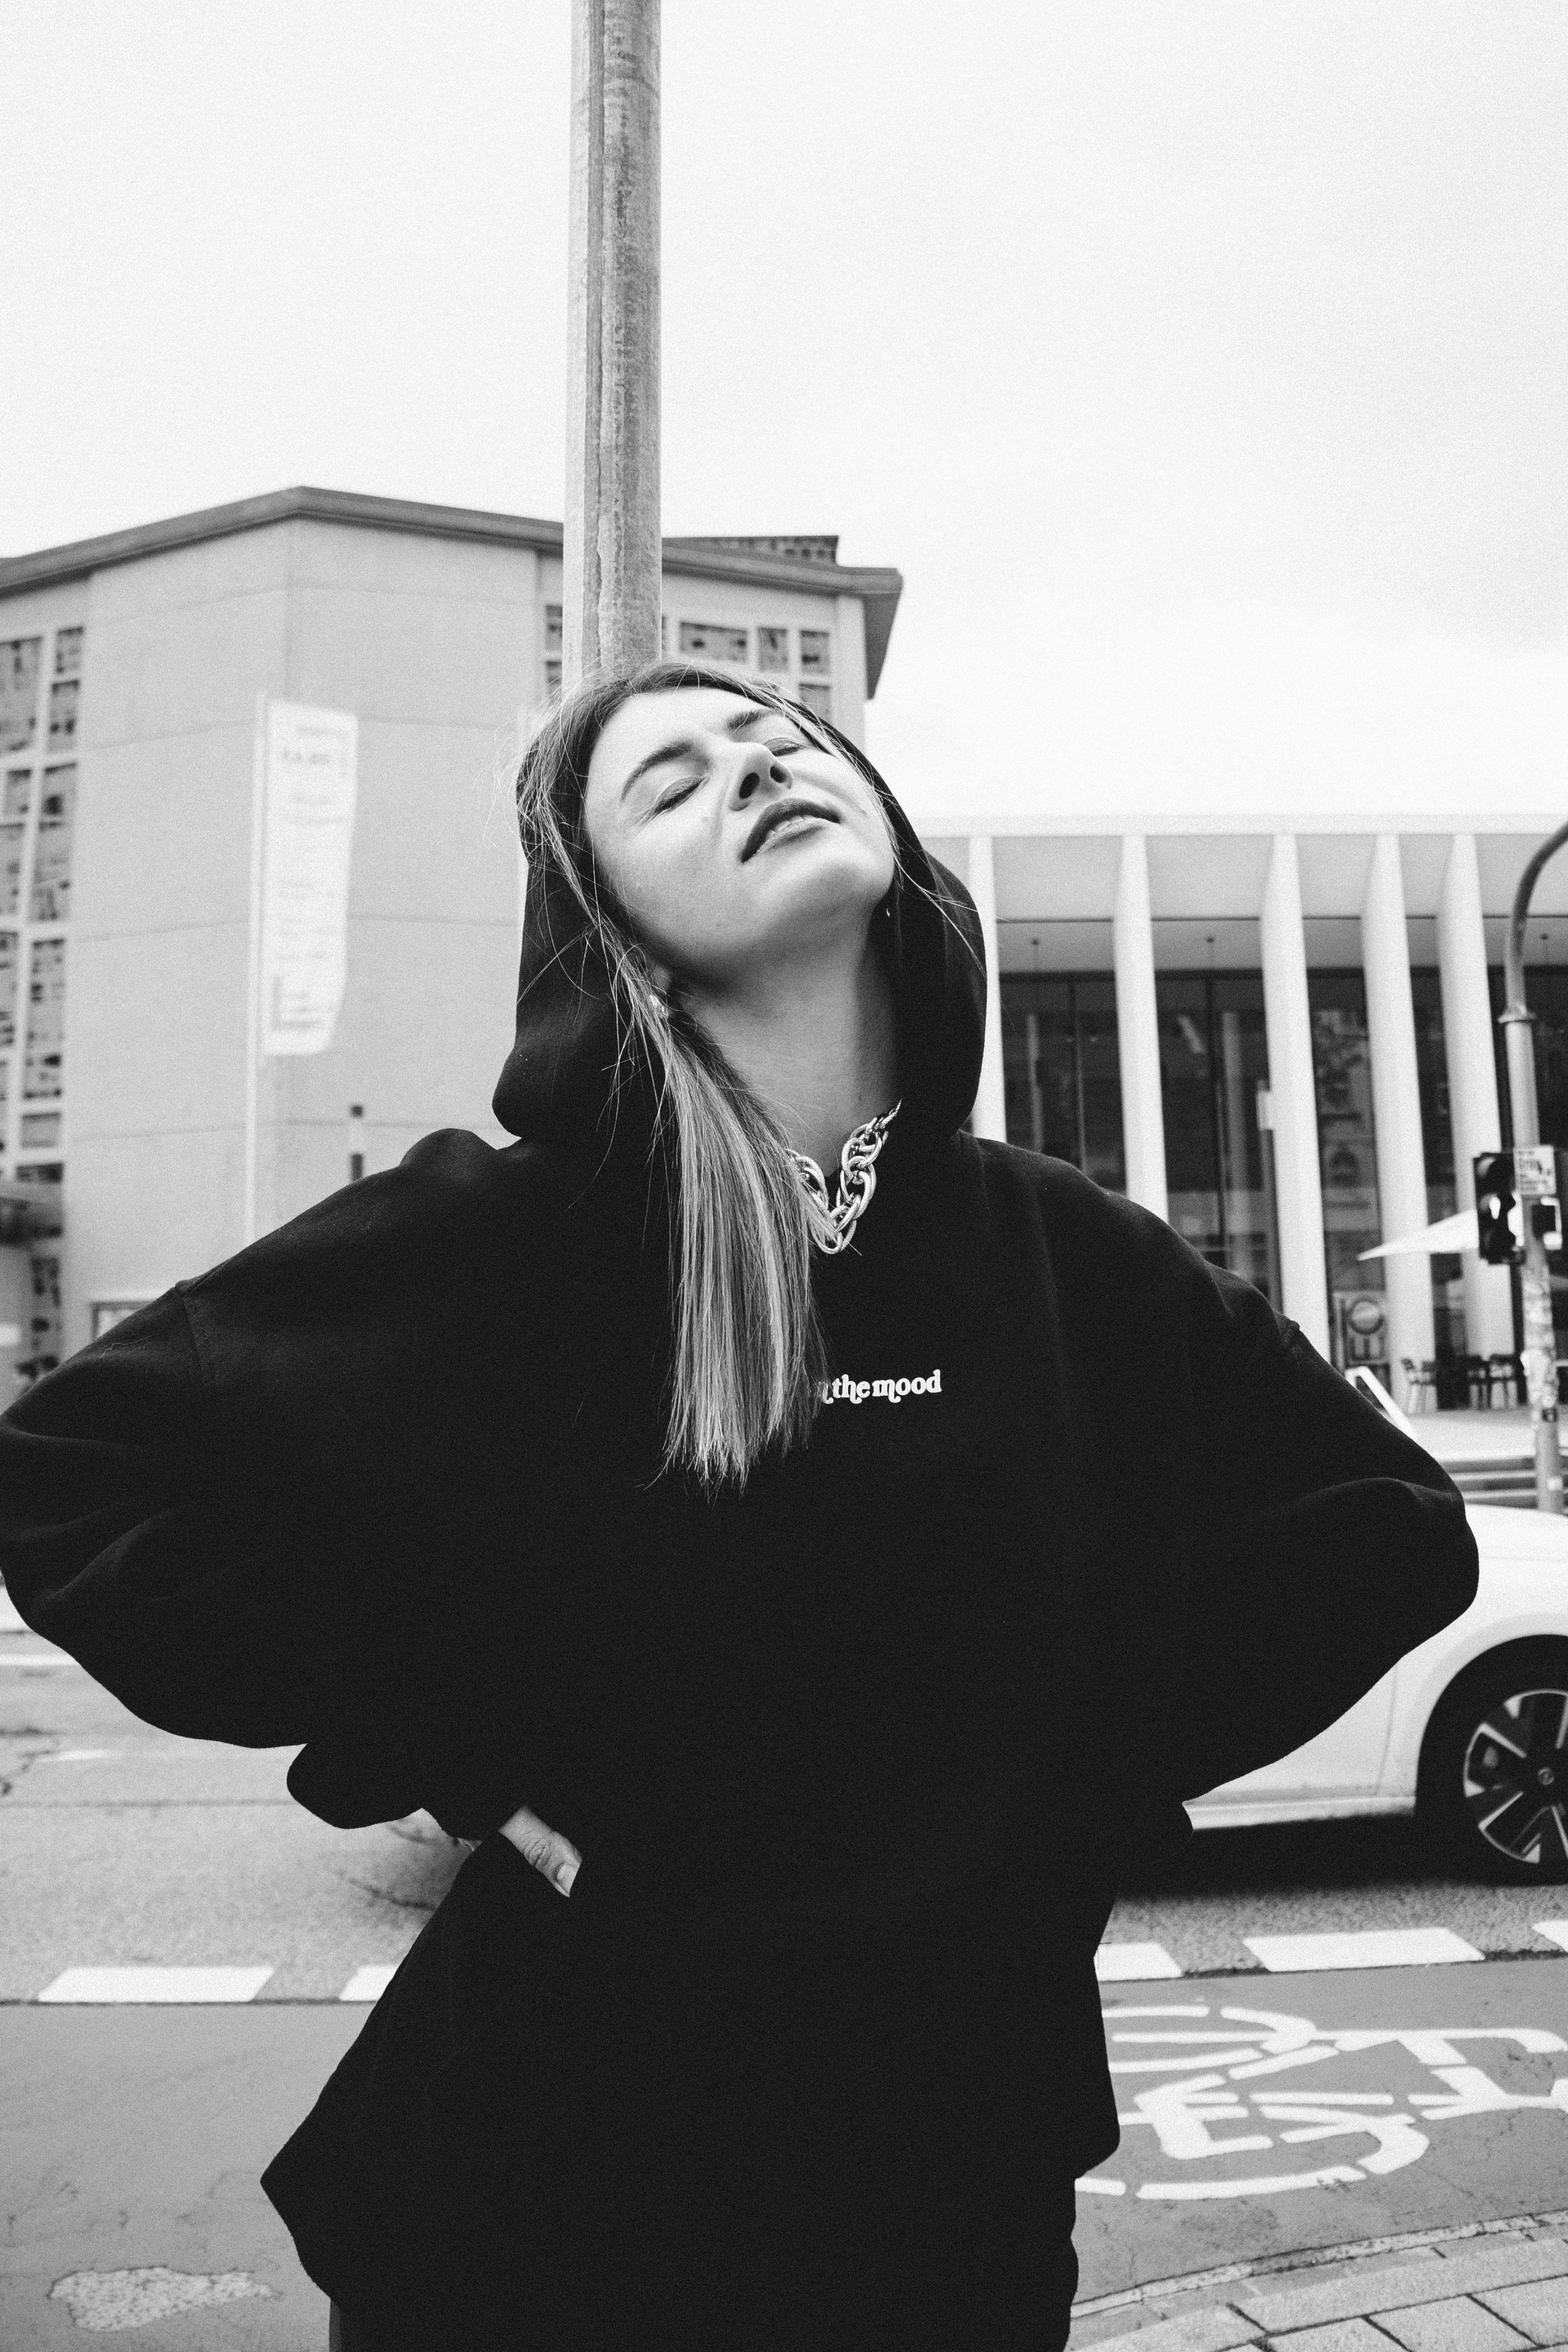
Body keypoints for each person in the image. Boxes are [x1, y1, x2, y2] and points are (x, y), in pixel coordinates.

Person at [0, 660, 1479, 2352]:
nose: (756, 764)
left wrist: (1063, 1772)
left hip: (950, 2186)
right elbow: (70, 1475)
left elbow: (1386, 1524)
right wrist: (458, 1731)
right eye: (672, 781)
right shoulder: (510, 1238)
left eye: (782, 739)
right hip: (546, 2191)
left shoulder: (1068, 1254)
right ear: (614, 923)